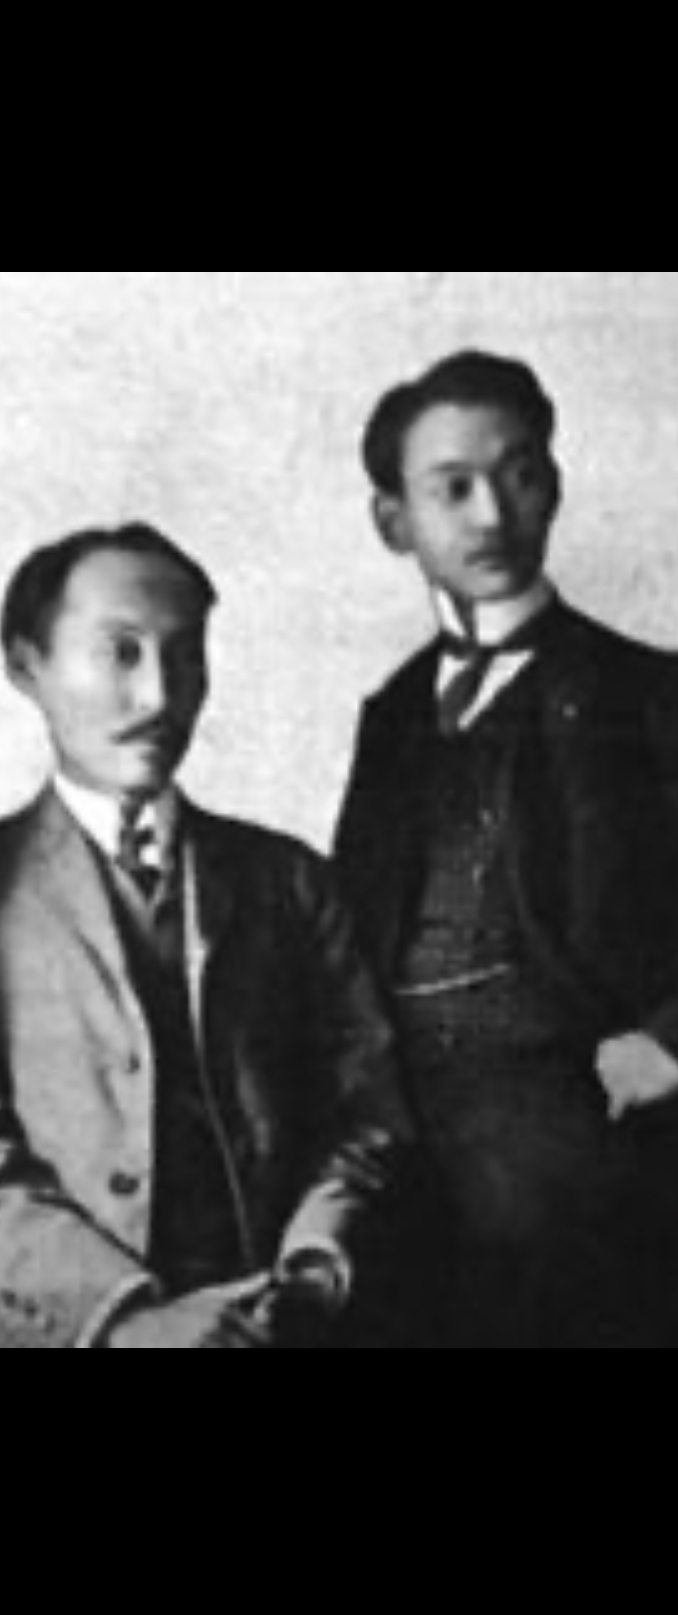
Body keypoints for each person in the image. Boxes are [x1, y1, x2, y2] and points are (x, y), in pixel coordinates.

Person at [0, 525, 409, 1348]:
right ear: (26, 665)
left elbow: (366, 1109)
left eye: (186, 655)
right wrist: (126, 1317)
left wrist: (313, 1263)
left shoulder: (289, 881)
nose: (161, 696)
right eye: (120, 652)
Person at [336, 351, 678, 1347]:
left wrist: (670, 1038)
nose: (491, 514)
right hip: (410, 1129)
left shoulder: (651, 694)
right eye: (453, 488)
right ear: (394, 521)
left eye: (518, 474)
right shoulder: (393, 712)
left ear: (553, 487)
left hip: (583, 1129)